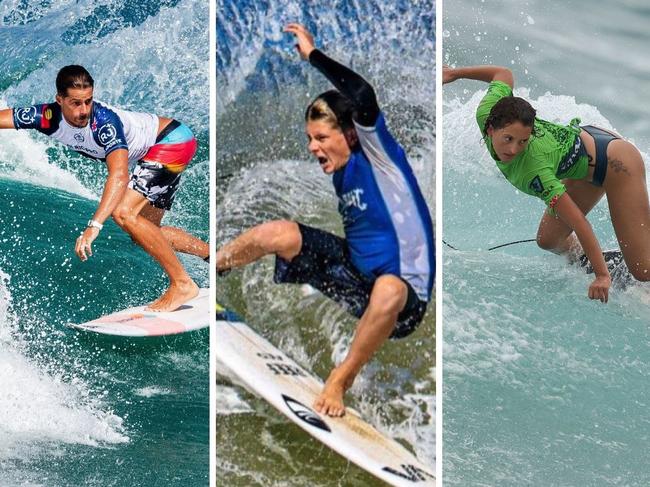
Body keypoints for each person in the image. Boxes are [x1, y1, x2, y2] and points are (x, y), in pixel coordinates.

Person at [217, 24, 435, 417]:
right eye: (308, 138)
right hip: (354, 278)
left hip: (402, 304)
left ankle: (339, 381)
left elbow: (363, 95)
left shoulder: (380, 157)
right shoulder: (340, 168)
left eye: (319, 137)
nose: (311, 147)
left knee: (388, 289)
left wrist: (312, 55)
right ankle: (211, 272)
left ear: (351, 134)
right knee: (277, 233)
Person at [0, 65, 208, 311]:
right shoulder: (45, 116)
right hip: (166, 145)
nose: (84, 110)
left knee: (123, 213)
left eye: (88, 101)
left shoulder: (104, 124)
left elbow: (119, 175)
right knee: (145, 232)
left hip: (171, 142)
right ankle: (213, 258)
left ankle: (182, 284)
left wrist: (94, 226)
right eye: (76, 103)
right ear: (60, 100)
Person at [443, 64, 650, 302]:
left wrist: (602, 277)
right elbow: (503, 74)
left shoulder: (535, 170)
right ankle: (603, 260)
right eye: (508, 138)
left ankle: (611, 266)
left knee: (643, 270)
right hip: (586, 154)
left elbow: (579, 223)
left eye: (522, 141)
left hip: (617, 165)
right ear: (490, 129)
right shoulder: (488, 112)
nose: (514, 149)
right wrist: (454, 74)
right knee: (549, 240)